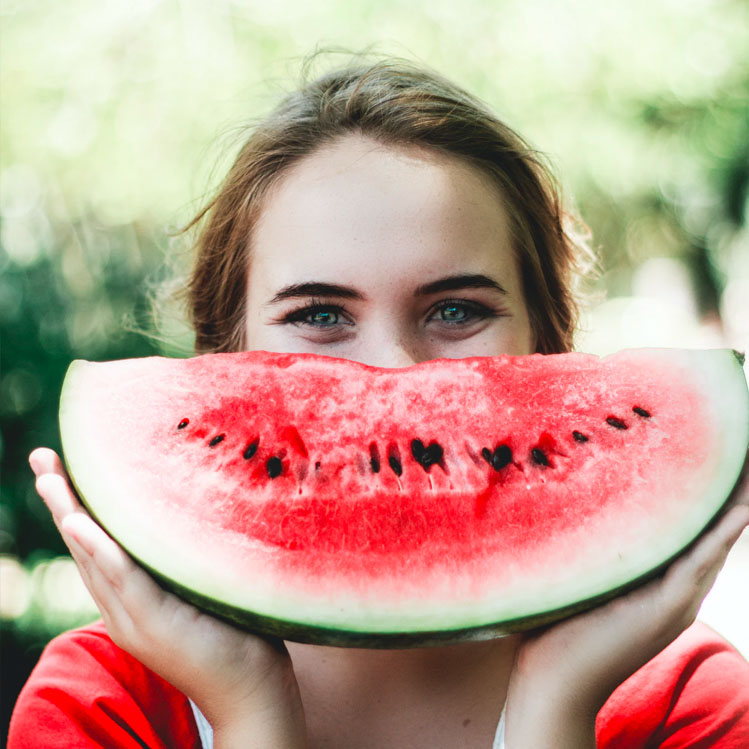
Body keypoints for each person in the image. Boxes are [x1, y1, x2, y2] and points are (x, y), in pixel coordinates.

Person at [10, 57, 749, 748]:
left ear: (550, 345)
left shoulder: (685, 702)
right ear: (221, 358)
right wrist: (248, 707)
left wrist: (556, 702)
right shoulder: (106, 702)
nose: (392, 373)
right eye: (319, 314)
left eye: (456, 310)